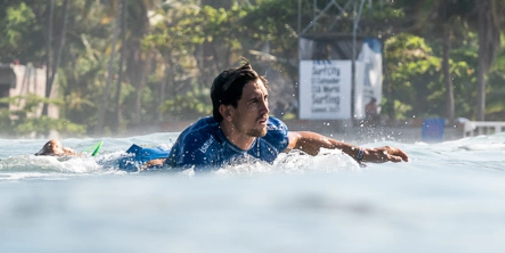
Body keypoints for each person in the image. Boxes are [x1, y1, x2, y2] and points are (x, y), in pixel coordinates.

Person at [162, 62, 408, 169]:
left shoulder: (271, 134)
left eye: (265, 99)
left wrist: (362, 153)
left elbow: (302, 139)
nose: (265, 110)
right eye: (254, 102)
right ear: (227, 111)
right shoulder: (200, 146)